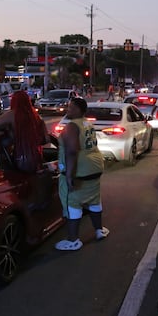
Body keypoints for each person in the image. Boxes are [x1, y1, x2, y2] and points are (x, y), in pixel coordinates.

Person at [55, 97, 107, 251]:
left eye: (71, 107)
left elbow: (72, 151)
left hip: (80, 170)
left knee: (73, 202)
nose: (68, 110)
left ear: (79, 110)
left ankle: (73, 240)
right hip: (95, 166)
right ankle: (99, 230)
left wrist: (69, 175)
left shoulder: (71, 126)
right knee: (94, 200)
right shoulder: (87, 123)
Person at [0, 90, 49, 172]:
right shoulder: (36, 117)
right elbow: (46, 139)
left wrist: (7, 131)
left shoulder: (13, 115)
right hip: (37, 156)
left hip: (21, 158)